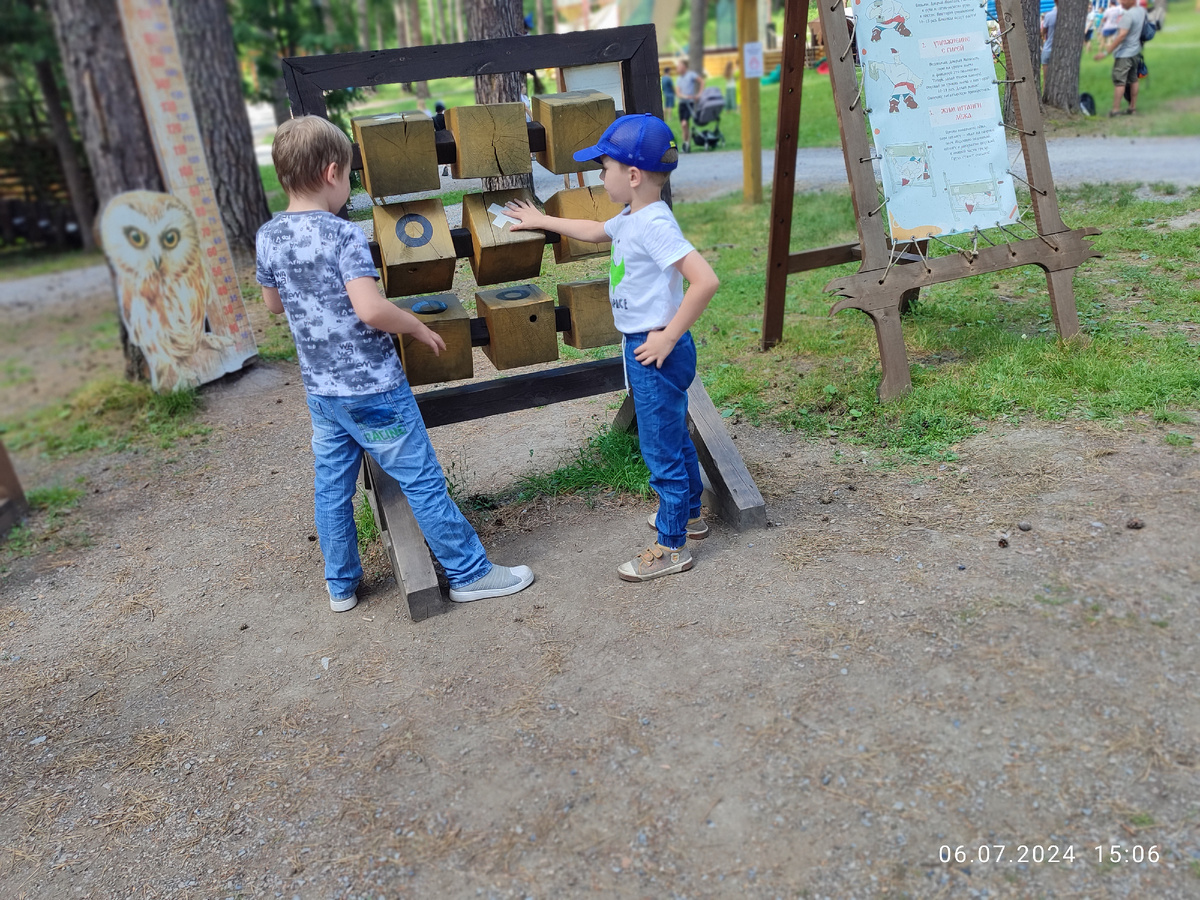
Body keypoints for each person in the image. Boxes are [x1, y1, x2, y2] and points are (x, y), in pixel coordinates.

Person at [255, 115, 535, 612]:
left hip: (323, 394)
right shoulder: (342, 236)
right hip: (374, 388)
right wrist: (416, 326)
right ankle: (469, 572)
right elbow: (369, 308)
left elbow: (273, 304)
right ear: (332, 172)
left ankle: (340, 584)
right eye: (348, 180)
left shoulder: (269, 236)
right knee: (420, 479)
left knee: (331, 487)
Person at [503, 114, 720, 582]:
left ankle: (671, 546)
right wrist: (542, 220)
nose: (602, 178)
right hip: (648, 345)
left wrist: (666, 336)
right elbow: (596, 231)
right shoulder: (631, 216)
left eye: (605, 169)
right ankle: (690, 515)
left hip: (656, 347)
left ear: (633, 175)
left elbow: (705, 280)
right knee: (672, 435)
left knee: (660, 447)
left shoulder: (655, 225)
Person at [1093, 0, 1146, 117]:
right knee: (1133, 80)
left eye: (1123, 0)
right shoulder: (1141, 11)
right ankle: (1132, 108)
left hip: (1124, 54)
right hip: (1135, 51)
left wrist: (1106, 53)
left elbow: (1121, 36)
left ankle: (1115, 110)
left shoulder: (1128, 15)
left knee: (1119, 82)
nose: (1121, 2)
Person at [675, 59, 704, 153]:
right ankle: (686, 144)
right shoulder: (678, 79)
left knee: (685, 123)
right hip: (682, 103)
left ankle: (687, 143)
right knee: (684, 126)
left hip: (689, 103)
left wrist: (699, 94)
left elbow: (701, 82)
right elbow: (678, 93)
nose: (678, 68)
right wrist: (686, 96)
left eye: (679, 66)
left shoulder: (691, 75)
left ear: (684, 67)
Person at [1040, 0, 1057, 90]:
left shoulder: (1049, 15)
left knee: (1046, 80)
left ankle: (1044, 100)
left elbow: (1043, 32)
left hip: (1047, 49)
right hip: (1059, 52)